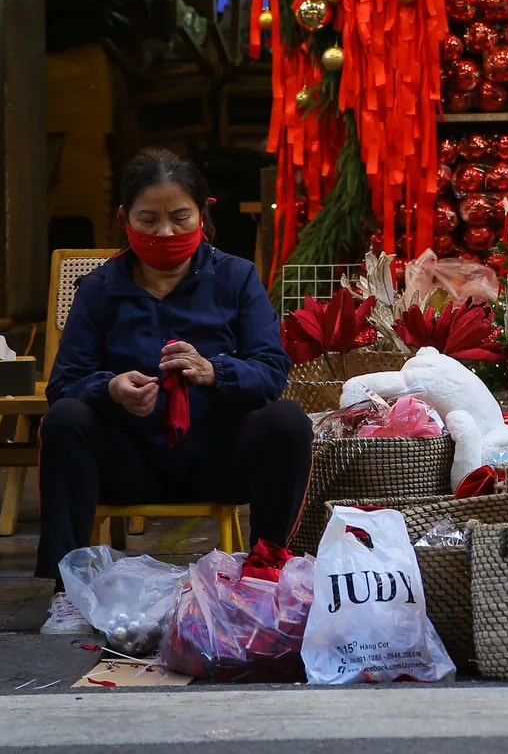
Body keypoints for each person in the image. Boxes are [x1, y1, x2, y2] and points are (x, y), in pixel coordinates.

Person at [36, 149, 310, 632]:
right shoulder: (99, 288)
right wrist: (111, 388)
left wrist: (213, 372)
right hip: (130, 462)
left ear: (202, 213)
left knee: (288, 421)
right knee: (65, 420)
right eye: (149, 219)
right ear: (124, 220)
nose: (165, 233)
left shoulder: (236, 278)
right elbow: (64, 383)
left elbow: (271, 371)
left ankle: (266, 572)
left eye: (180, 217)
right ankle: (69, 592)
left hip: (218, 459)